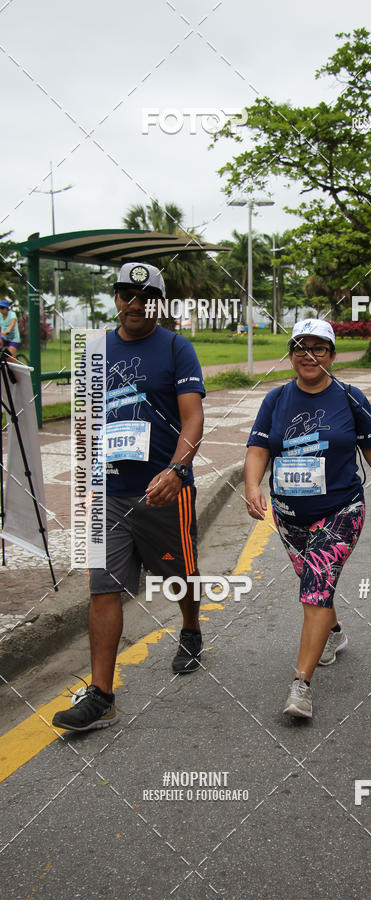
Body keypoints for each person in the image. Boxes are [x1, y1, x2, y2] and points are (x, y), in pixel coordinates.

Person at [53, 262, 206, 732]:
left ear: (157, 302)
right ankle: (102, 694)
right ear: (116, 298)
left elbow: (193, 417)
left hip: (163, 491)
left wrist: (178, 469)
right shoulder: (95, 350)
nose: (135, 303)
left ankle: (191, 628)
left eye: (145, 296)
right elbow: (87, 420)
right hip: (108, 493)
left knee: (179, 576)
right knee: (102, 589)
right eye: (126, 294)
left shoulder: (178, 348)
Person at [244, 318, 371, 719]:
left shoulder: (350, 398)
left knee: (315, 588)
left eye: (319, 349)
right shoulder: (276, 399)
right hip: (289, 516)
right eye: (301, 347)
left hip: (341, 511)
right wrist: (252, 486)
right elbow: (257, 449)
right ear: (291, 354)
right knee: (314, 584)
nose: (309, 356)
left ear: (332, 356)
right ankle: (334, 633)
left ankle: (301, 685)